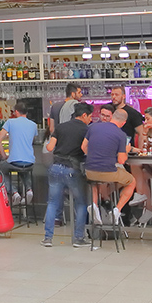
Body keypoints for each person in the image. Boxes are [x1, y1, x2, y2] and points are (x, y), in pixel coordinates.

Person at [42, 103, 92, 247]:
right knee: (81, 203)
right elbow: (86, 149)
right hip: (73, 169)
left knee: (52, 203)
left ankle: (48, 238)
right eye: (90, 117)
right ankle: (78, 238)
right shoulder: (86, 130)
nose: (90, 120)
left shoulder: (61, 127)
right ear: (84, 115)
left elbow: (49, 147)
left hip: (56, 168)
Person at [81, 109, 135, 224]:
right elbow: (121, 160)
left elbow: (83, 146)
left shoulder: (93, 127)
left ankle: (94, 205)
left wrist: (93, 156)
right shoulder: (121, 135)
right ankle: (117, 210)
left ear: (112, 117)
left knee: (94, 182)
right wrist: (126, 150)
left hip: (89, 170)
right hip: (108, 172)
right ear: (123, 122)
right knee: (131, 182)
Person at [0, 101, 37, 204]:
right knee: (23, 168)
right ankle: (29, 189)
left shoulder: (10, 122)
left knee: (2, 168)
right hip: (30, 162)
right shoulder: (33, 125)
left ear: (16, 112)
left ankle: (14, 192)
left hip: (14, 161)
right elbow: (32, 140)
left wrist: (4, 155)